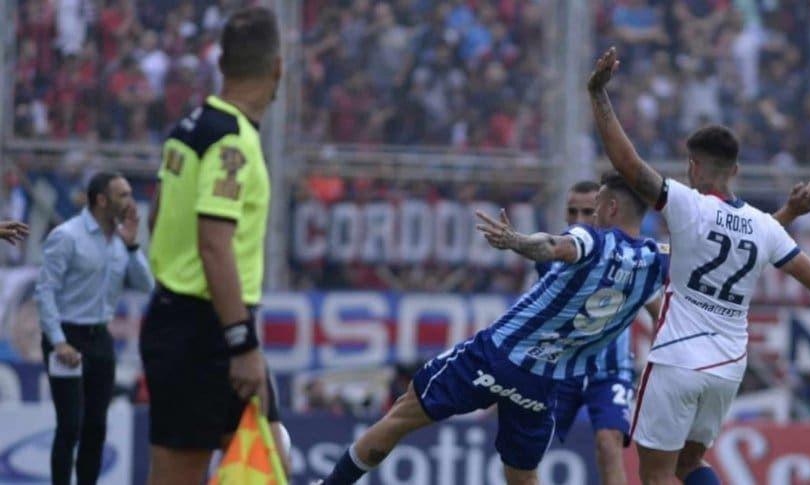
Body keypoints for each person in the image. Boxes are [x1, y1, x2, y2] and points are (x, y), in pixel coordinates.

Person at [586, 46, 810, 485]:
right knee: (690, 466)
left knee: (655, 475)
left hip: (677, 359)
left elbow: (628, 164)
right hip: (728, 368)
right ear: (734, 169)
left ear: (693, 167)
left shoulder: (685, 204)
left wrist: (598, 95)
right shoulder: (763, 227)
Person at [319, 171, 669, 485]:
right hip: (543, 381)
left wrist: (515, 241)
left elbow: (551, 245)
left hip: (495, 355)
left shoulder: (593, 240)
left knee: (402, 415)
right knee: (523, 475)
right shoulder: (655, 261)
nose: (587, 217)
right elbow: (666, 303)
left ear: (608, 208)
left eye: (593, 209)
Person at [540, 179, 810, 485]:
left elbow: (730, 252)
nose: (580, 220)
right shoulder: (555, 254)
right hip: (557, 366)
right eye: (572, 212)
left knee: (610, 444)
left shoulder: (638, 256)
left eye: (588, 211)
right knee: (525, 449)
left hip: (608, 370)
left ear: (608, 210)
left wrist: (682, 344)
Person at [140, 7, 288, 484]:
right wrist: (241, 342)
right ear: (277, 68)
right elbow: (214, 245)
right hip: (210, 329)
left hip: (191, 321)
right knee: (183, 473)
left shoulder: (191, 126)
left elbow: (159, 210)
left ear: (222, 64)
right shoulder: (233, 143)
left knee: (271, 458)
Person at [35, 172, 154, 485]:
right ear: (102, 200)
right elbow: (45, 291)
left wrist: (132, 246)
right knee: (70, 425)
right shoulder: (67, 236)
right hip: (67, 335)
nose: (130, 202)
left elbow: (145, 284)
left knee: (96, 427)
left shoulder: (119, 242)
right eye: (123, 195)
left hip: (100, 337)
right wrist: (58, 342)